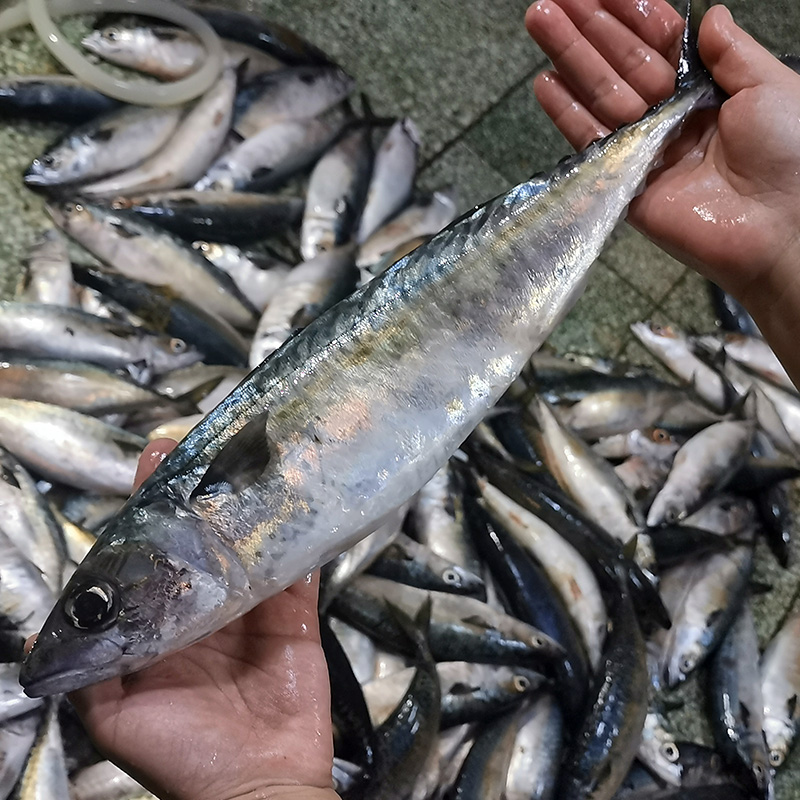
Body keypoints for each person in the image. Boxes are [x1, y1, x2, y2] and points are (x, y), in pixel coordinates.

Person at [43, 2, 800, 798]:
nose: (98, 635)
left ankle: (684, 99)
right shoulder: (213, 557)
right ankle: (681, 102)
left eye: (97, 608)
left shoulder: (202, 505)